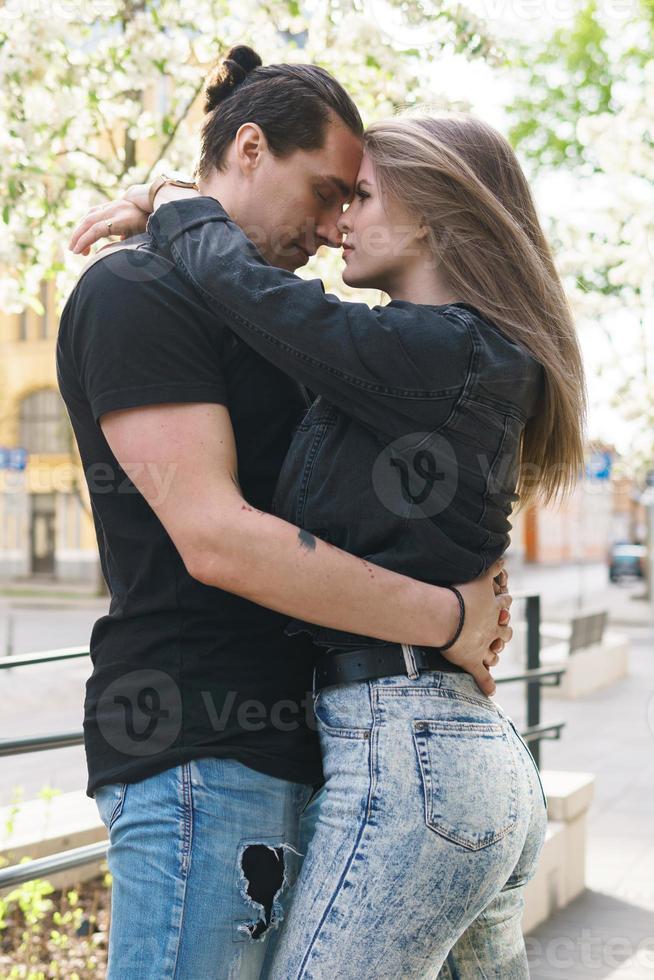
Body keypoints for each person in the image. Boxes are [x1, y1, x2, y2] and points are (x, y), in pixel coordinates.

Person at [75, 48, 587, 976]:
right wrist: (451, 616)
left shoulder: (391, 343)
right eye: (323, 194)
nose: (332, 224)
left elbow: (263, 301)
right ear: (250, 147)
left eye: (355, 198)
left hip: (366, 746)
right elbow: (218, 540)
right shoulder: (137, 293)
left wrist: (175, 205)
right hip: (208, 738)